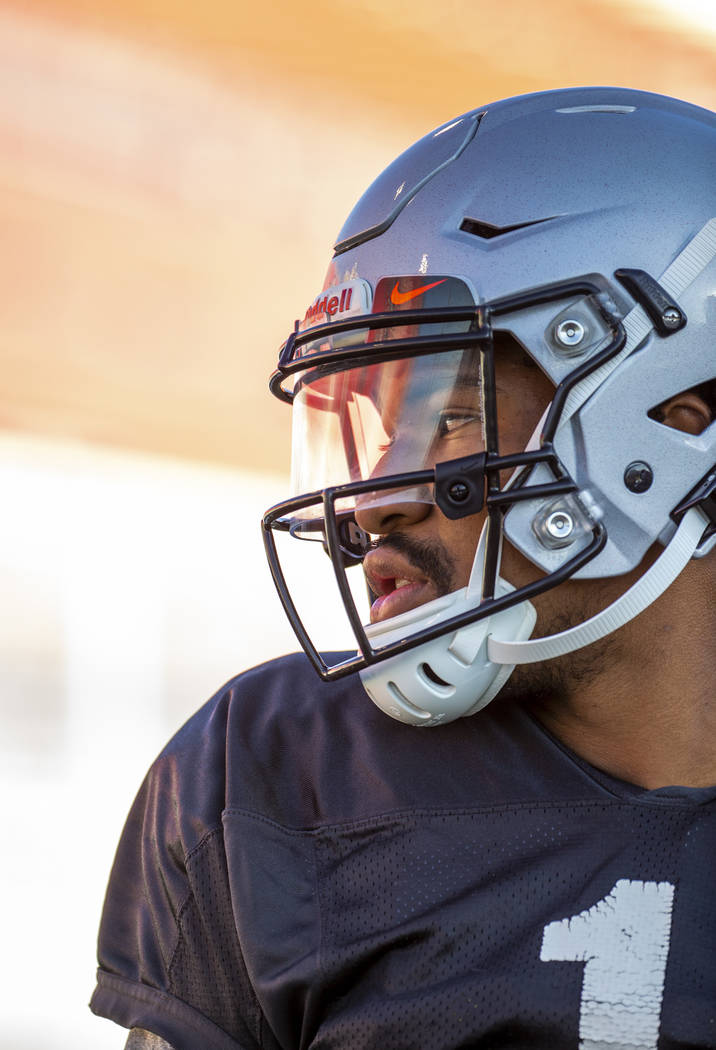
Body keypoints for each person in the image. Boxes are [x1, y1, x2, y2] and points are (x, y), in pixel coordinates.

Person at [91, 86, 716, 1050]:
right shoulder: (275, 776)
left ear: (677, 415)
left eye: (451, 415)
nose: (378, 497)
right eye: (379, 431)